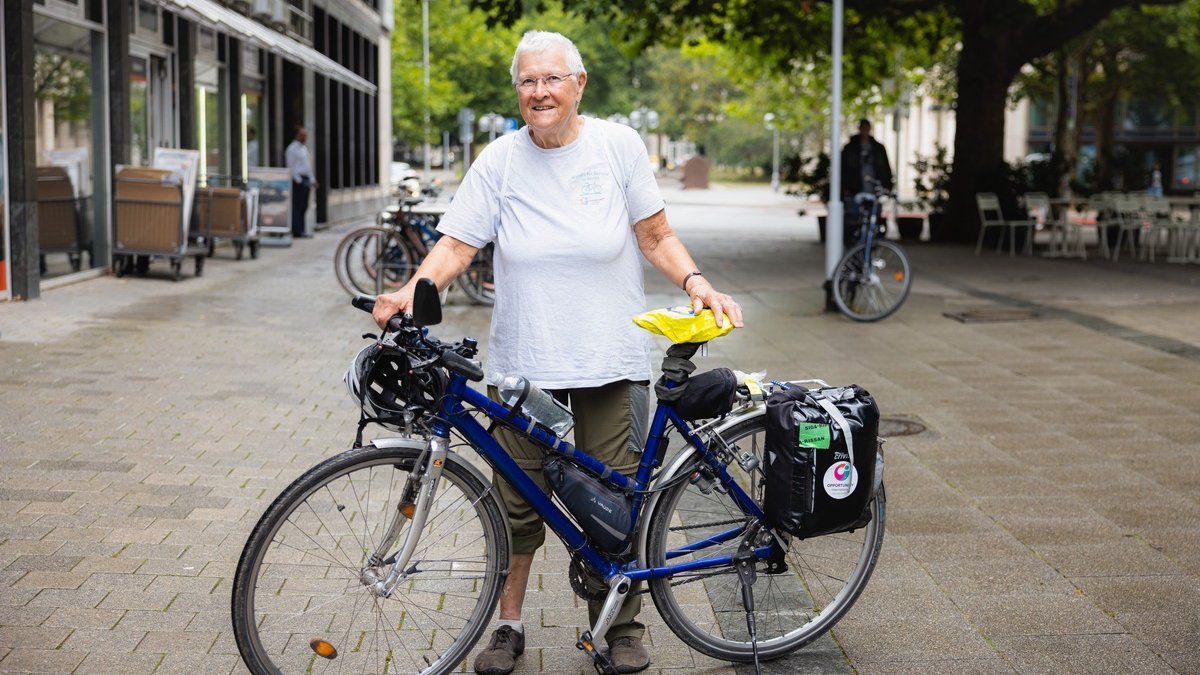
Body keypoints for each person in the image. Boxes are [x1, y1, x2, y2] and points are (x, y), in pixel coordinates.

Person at [372, 30, 743, 675]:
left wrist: (695, 282)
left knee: (615, 498)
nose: (539, 92)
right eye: (527, 81)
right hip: (525, 366)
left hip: (609, 359)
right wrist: (411, 290)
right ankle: (508, 625)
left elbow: (655, 236)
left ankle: (619, 626)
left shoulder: (617, 147)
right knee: (516, 506)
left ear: (578, 84)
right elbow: (458, 246)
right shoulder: (499, 161)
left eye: (551, 79)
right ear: (517, 90)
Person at [840, 119, 893, 243]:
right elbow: (843, 168)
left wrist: (887, 186)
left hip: (873, 188)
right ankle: (854, 246)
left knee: (873, 218)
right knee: (854, 219)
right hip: (855, 188)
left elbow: (885, 167)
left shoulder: (878, 147)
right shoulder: (850, 147)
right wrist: (845, 187)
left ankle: (870, 245)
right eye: (863, 128)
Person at [285, 125, 317, 238]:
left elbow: (307, 166)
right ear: (296, 135)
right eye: (302, 135)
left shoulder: (304, 148)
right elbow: (291, 167)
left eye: (305, 135)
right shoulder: (291, 149)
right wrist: (298, 181)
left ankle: (302, 229)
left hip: (306, 179)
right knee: (297, 206)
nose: (305, 137)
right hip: (298, 180)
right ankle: (297, 230)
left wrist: (312, 179)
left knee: (304, 206)